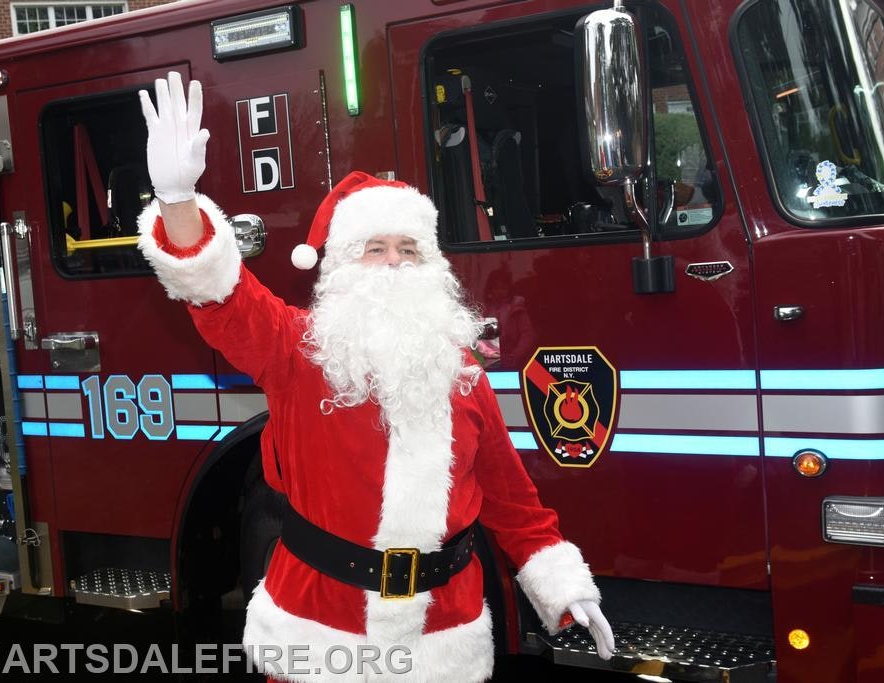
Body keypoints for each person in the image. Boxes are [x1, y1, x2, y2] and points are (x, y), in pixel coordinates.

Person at [136, 72, 613, 682]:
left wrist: (564, 587)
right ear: (340, 266)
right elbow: (221, 297)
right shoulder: (295, 349)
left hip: (443, 642)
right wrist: (178, 202)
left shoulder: (461, 373)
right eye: (375, 248)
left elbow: (512, 501)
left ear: (432, 265)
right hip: (319, 635)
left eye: (408, 250)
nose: (393, 263)